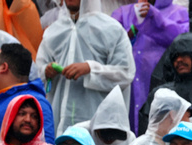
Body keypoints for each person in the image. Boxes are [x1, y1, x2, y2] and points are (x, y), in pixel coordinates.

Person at [35, 0, 136, 129]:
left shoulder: (111, 29)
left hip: (98, 126)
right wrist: (46, 71)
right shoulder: (53, 32)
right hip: (57, 124)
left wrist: (90, 69)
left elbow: (125, 73)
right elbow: (38, 71)